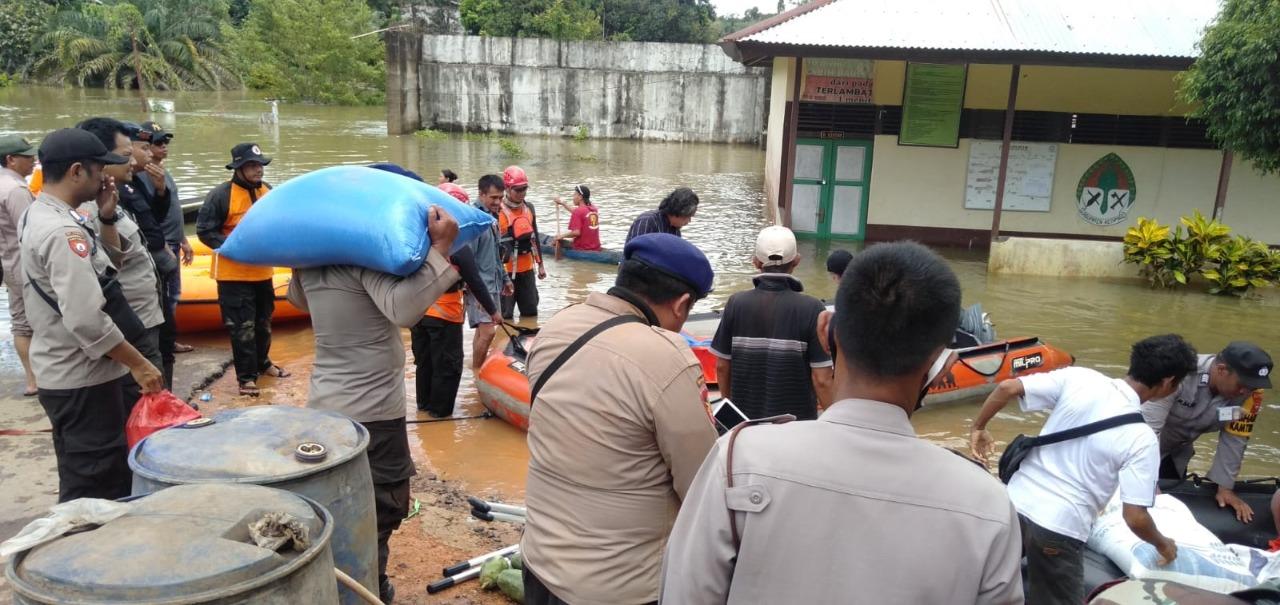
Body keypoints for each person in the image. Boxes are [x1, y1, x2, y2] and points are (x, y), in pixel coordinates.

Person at [661, 242, 1022, 604]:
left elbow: (685, 593)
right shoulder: (987, 505)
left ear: (825, 330)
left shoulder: (737, 460)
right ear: (944, 364)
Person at [523, 233, 718, 605]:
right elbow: (701, 486)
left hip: (540, 564)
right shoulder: (668, 359)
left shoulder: (556, 328)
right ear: (682, 304)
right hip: (621, 588)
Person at [288, 188, 460, 604]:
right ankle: (368, 585)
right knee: (383, 504)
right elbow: (405, 310)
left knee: (335, 500)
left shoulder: (313, 262)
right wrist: (440, 249)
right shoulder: (364, 259)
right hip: (372, 412)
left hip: (325, 403)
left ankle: (340, 582)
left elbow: (296, 299)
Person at [971, 334, 1199, 605]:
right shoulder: (1142, 438)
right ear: (1168, 382)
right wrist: (1163, 544)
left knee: (978, 588)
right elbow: (1135, 518)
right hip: (1059, 528)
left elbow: (1007, 387)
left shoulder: (1080, 378)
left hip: (1012, 503)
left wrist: (978, 427)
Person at [21, 128, 162, 501]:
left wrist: (107, 218)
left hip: (73, 372)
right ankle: (80, 549)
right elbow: (87, 318)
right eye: (100, 169)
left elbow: (104, 272)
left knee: (95, 470)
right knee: (94, 482)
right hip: (80, 377)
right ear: (77, 171)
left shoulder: (47, 214)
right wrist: (139, 364)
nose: (106, 177)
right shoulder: (61, 232)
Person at [381, 171, 501, 418]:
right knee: (447, 366)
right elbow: (475, 281)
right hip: (445, 316)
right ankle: (440, 415)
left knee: (424, 363)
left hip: (417, 316)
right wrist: (493, 311)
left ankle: (423, 407)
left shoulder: (416, 240)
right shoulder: (456, 244)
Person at [75, 118, 166, 383]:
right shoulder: (84, 212)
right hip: (129, 324)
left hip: (145, 316)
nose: (135, 161)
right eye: (127, 155)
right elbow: (100, 278)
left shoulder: (112, 198)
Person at [710, 225, 833, 420]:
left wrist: (731, 413)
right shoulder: (812, 309)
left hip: (746, 427)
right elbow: (822, 380)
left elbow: (722, 367)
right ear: (797, 261)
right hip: (795, 430)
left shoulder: (735, 303)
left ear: (756, 262)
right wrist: (833, 424)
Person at [196, 142, 289, 397]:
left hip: (262, 272)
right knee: (241, 327)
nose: (258, 170)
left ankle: (264, 363)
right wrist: (234, 247)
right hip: (233, 276)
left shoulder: (267, 192)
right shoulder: (220, 196)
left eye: (260, 165)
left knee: (263, 322)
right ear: (238, 168)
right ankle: (246, 378)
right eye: (251, 165)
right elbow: (205, 231)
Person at [1143, 342, 1274, 522]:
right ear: (1221, 370)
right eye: (1242, 384)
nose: (1246, 390)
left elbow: (1235, 438)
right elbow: (1147, 431)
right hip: (1136, 450)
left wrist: (1225, 487)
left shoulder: (1250, 393)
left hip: (1175, 454)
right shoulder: (1180, 374)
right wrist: (1147, 484)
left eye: (1252, 386)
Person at [120, 122, 177, 388]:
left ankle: (169, 400)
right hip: (137, 283)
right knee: (150, 346)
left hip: (153, 274)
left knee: (164, 341)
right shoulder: (115, 190)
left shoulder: (134, 183)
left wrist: (161, 190)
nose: (146, 155)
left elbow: (153, 219)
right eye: (143, 148)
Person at [142, 120, 195, 354]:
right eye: (158, 143)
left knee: (173, 294)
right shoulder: (145, 175)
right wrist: (163, 243)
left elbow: (172, 208)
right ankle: (166, 342)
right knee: (166, 295)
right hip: (162, 245)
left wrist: (184, 240)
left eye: (165, 142)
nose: (164, 146)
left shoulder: (163, 172)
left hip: (174, 241)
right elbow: (149, 214)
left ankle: (169, 340)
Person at [0, 134, 39, 396]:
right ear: (11, 160)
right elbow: (31, 231)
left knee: (20, 322)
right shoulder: (16, 191)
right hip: (24, 266)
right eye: (27, 156)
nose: (33, 160)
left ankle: (32, 380)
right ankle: (37, 379)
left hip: (9, 263)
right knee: (32, 323)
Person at [468, 174, 513, 371]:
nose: (498, 202)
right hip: (480, 286)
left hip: (492, 282)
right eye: (493, 197)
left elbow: (495, 254)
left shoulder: (492, 218)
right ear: (481, 194)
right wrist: (474, 291)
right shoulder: (474, 220)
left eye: (501, 198)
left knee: (482, 332)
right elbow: (467, 260)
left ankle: (473, 368)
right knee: (488, 333)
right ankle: (478, 373)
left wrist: (505, 279)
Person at [497, 165, 545, 319]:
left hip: (527, 270)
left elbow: (535, 237)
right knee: (505, 316)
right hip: (506, 272)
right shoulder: (498, 211)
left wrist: (541, 264)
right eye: (517, 189)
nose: (521, 193)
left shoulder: (529, 208)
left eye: (524, 188)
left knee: (531, 313)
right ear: (507, 188)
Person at [625, 187, 698, 243]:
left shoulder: (675, 230)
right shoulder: (647, 221)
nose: (689, 221)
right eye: (688, 217)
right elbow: (635, 252)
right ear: (678, 212)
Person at [552, 184, 600, 252]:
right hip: (596, 247)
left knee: (553, 242)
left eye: (574, 195)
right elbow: (579, 213)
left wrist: (561, 236)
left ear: (580, 197)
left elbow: (576, 233)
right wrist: (563, 204)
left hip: (582, 248)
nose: (573, 197)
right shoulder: (593, 208)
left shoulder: (578, 211)